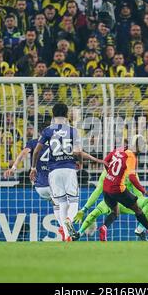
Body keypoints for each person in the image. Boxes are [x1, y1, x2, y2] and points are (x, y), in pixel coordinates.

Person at [29, 103, 107, 241]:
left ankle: (66, 235)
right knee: (73, 201)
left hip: (53, 171)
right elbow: (77, 151)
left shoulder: (47, 131)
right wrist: (81, 163)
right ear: (66, 114)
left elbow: (36, 150)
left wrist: (33, 167)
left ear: (53, 114)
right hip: (68, 169)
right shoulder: (72, 131)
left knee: (61, 203)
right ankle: (69, 221)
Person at [93, 135, 148, 242]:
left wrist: (111, 174)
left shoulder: (119, 149)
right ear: (139, 146)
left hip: (106, 186)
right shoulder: (131, 157)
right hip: (118, 189)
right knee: (137, 209)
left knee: (115, 212)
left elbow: (105, 161)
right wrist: (144, 191)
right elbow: (132, 177)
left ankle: (104, 227)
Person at [4, 124, 65, 241]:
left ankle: (63, 227)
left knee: (55, 202)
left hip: (39, 187)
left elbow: (22, 154)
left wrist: (13, 168)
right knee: (64, 203)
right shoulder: (57, 144)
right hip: (54, 184)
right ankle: (64, 227)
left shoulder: (33, 143)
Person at [73, 168, 148, 241]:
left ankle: (140, 229)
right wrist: (84, 209)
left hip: (121, 201)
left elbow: (139, 194)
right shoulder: (107, 172)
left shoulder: (130, 172)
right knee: (95, 213)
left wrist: (145, 213)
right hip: (121, 200)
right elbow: (97, 192)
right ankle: (79, 233)